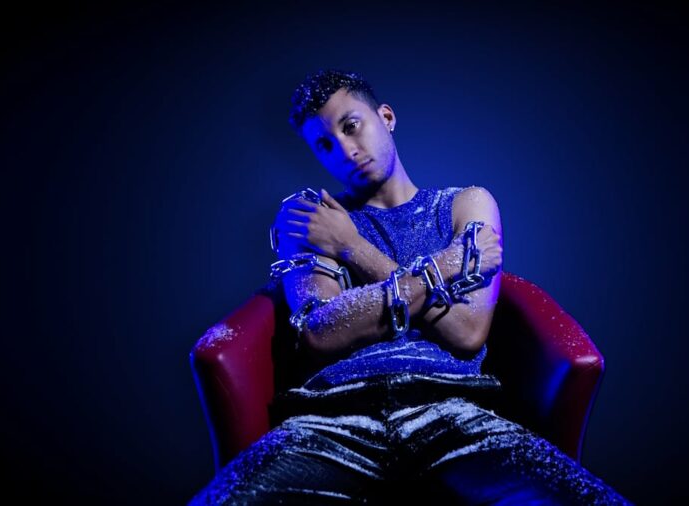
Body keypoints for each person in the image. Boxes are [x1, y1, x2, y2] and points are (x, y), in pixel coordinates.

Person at [190, 69, 631, 505]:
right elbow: (321, 331)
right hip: (329, 422)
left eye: (351, 126)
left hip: (454, 413)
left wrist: (351, 248)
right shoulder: (314, 222)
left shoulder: (465, 204)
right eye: (325, 145)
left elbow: (466, 331)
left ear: (386, 117)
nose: (344, 150)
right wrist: (447, 264)